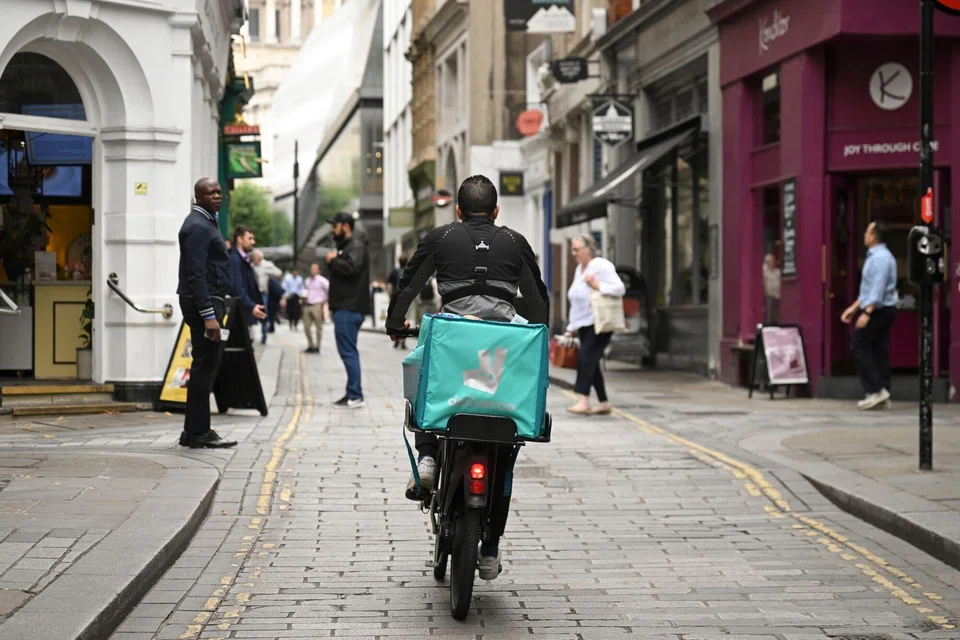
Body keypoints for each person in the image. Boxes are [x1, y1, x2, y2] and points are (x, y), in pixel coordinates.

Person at [385, 174, 549, 581]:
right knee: (506, 449)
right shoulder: (515, 241)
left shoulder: (440, 237)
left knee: (420, 367)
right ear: (496, 211)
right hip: (504, 346)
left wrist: (394, 322)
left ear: (457, 210)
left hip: (453, 335)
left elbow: (409, 285)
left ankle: (426, 455)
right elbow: (539, 303)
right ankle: (490, 550)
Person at [175, 178, 238, 449]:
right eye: (210, 193)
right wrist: (208, 314)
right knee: (204, 368)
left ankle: (192, 431)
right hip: (204, 302)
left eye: (218, 192)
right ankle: (200, 432)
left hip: (207, 300)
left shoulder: (204, 222)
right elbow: (196, 273)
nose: (216, 196)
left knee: (202, 365)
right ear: (197, 196)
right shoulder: (198, 226)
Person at [565, 234, 626, 416]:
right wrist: (571, 327)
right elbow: (577, 300)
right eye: (573, 249)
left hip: (599, 323)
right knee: (592, 362)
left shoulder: (601, 265)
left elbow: (620, 288)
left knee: (585, 359)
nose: (573, 253)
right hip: (583, 324)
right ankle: (604, 402)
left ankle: (584, 400)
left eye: (576, 249)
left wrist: (597, 284)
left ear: (588, 249)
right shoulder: (579, 269)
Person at [842, 220, 898, 411]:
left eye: (867, 231)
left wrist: (866, 312)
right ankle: (882, 393)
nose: (864, 235)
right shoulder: (877, 256)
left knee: (858, 345)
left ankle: (876, 391)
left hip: (879, 309)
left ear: (874, 236)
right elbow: (868, 290)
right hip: (880, 308)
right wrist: (854, 308)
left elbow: (877, 288)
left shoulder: (880, 258)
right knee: (878, 349)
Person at [324, 212, 371, 408]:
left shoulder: (356, 245)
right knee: (347, 351)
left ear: (345, 226)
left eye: (335, 226)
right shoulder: (350, 245)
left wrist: (333, 260)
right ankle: (352, 391)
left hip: (349, 307)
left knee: (348, 352)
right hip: (347, 306)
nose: (332, 230)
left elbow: (352, 268)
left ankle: (355, 394)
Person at [228, 227, 267, 339]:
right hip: (238, 315)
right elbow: (237, 288)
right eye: (250, 238)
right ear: (239, 239)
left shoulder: (243, 259)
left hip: (243, 313)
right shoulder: (235, 259)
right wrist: (251, 306)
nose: (253, 242)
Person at [252, 249, 283, 344]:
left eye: (256, 257)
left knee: (263, 314)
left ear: (260, 257)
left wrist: (271, 280)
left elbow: (279, 273)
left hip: (263, 293)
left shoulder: (267, 265)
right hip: (252, 293)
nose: (254, 259)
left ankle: (264, 334)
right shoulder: (251, 265)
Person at [302, 262, 330, 354]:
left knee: (318, 327)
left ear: (318, 270)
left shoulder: (322, 280)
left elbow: (330, 289)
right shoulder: (307, 280)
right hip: (308, 305)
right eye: (311, 268)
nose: (312, 270)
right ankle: (311, 345)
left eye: (314, 268)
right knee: (306, 327)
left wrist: (324, 300)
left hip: (317, 305)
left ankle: (317, 346)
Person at [387, 255, 409, 349]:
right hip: (407, 297)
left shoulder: (394, 271)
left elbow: (389, 284)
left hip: (396, 297)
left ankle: (396, 338)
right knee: (405, 319)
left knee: (395, 318)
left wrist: (390, 295)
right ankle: (403, 339)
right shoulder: (409, 271)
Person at [762, 252, 781, 324]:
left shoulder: (777, 271)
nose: (773, 262)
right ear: (767, 262)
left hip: (777, 296)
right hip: (768, 296)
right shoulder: (763, 271)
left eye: (773, 261)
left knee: (777, 315)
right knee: (769, 315)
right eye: (771, 261)